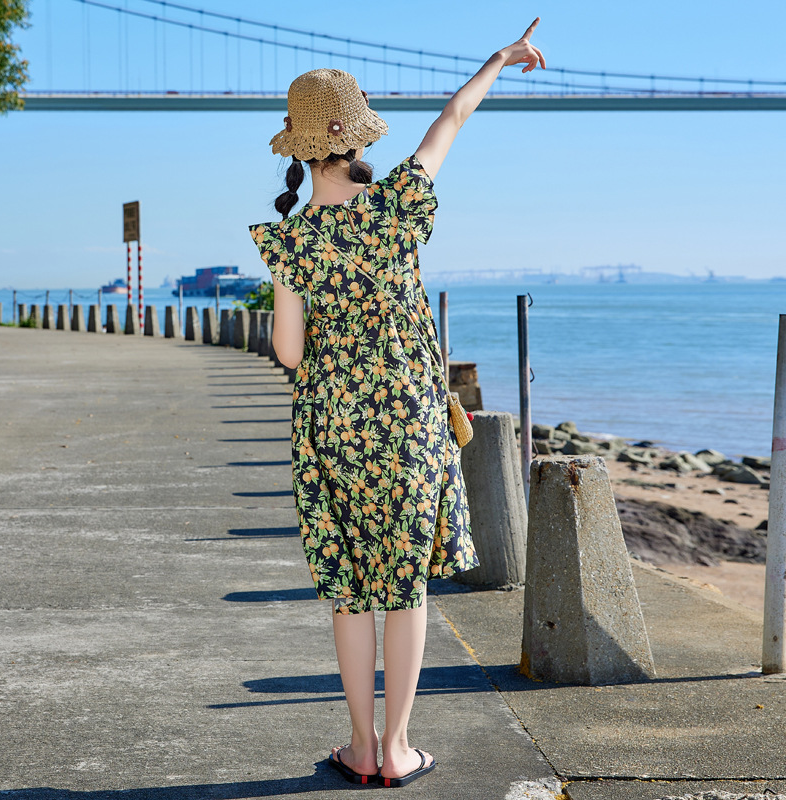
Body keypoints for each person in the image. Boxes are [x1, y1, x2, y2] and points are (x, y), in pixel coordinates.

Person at [249, 18, 545, 788]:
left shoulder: (291, 239)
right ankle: (397, 749)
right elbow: (453, 119)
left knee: (350, 591)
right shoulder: (399, 206)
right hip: (411, 421)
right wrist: (497, 59)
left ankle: (356, 744)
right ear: (356, 139)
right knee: (405, 586)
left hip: (331, 429)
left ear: (300, 147)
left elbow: (287, 352)